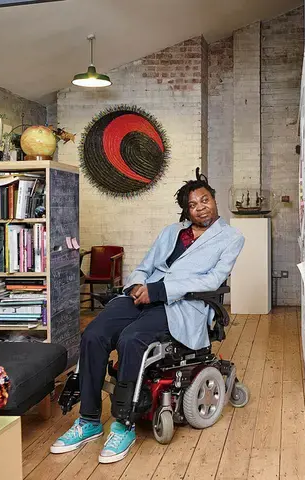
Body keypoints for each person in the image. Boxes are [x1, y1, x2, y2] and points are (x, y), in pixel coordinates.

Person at [50, 170, 245, 463]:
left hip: (183, 305)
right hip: (144, 295)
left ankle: (123, 424)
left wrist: (160, 290)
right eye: (193, 204)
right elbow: (145, 264)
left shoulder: (231, 238)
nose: (200, 207)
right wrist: (138, 284)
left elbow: (213, 280)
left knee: (132, 339)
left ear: (214, 200)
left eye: (205, 200)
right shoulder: (171, 232)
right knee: (93, 334)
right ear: (186, 209)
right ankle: (88, 421)